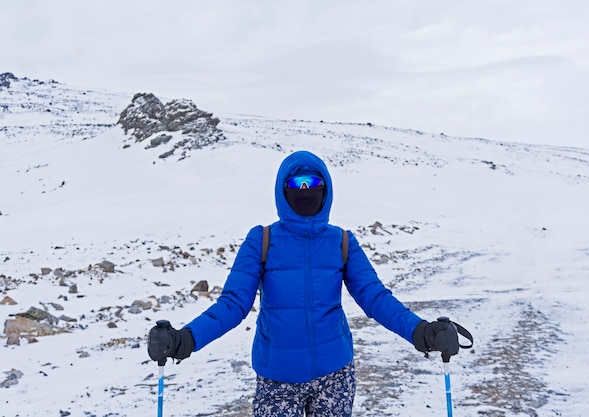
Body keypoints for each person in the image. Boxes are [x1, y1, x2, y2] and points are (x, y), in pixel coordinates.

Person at [148, 150, 460, 416]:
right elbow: (232, 304)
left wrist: (421, 331)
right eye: (297, 182)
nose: (306, 189)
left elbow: (375, 297)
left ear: (327, 190)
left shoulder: (342, 241)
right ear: (282, 189)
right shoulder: (262, 239)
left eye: (314, 182)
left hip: (335, 376)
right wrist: (186, 339)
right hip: (277, 382)